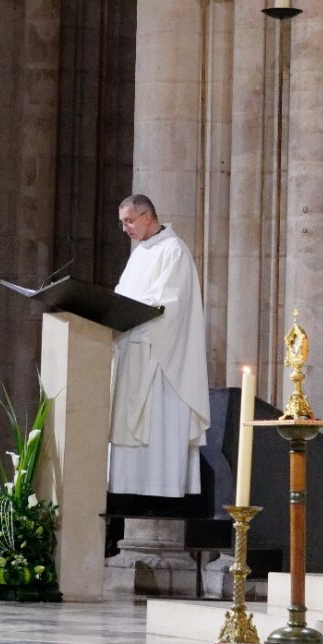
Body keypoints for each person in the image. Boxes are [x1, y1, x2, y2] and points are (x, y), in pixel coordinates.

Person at [107, 195, 210, 513]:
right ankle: (128, 498)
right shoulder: (140, 254)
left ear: (148, 216)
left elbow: (170, 306)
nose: (125, 228)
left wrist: (131, 316)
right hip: (131, 349)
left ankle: (157, 496)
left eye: (129, 221)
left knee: (157, 428)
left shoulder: (173, 250)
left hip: (159, 358)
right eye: (122, 222)